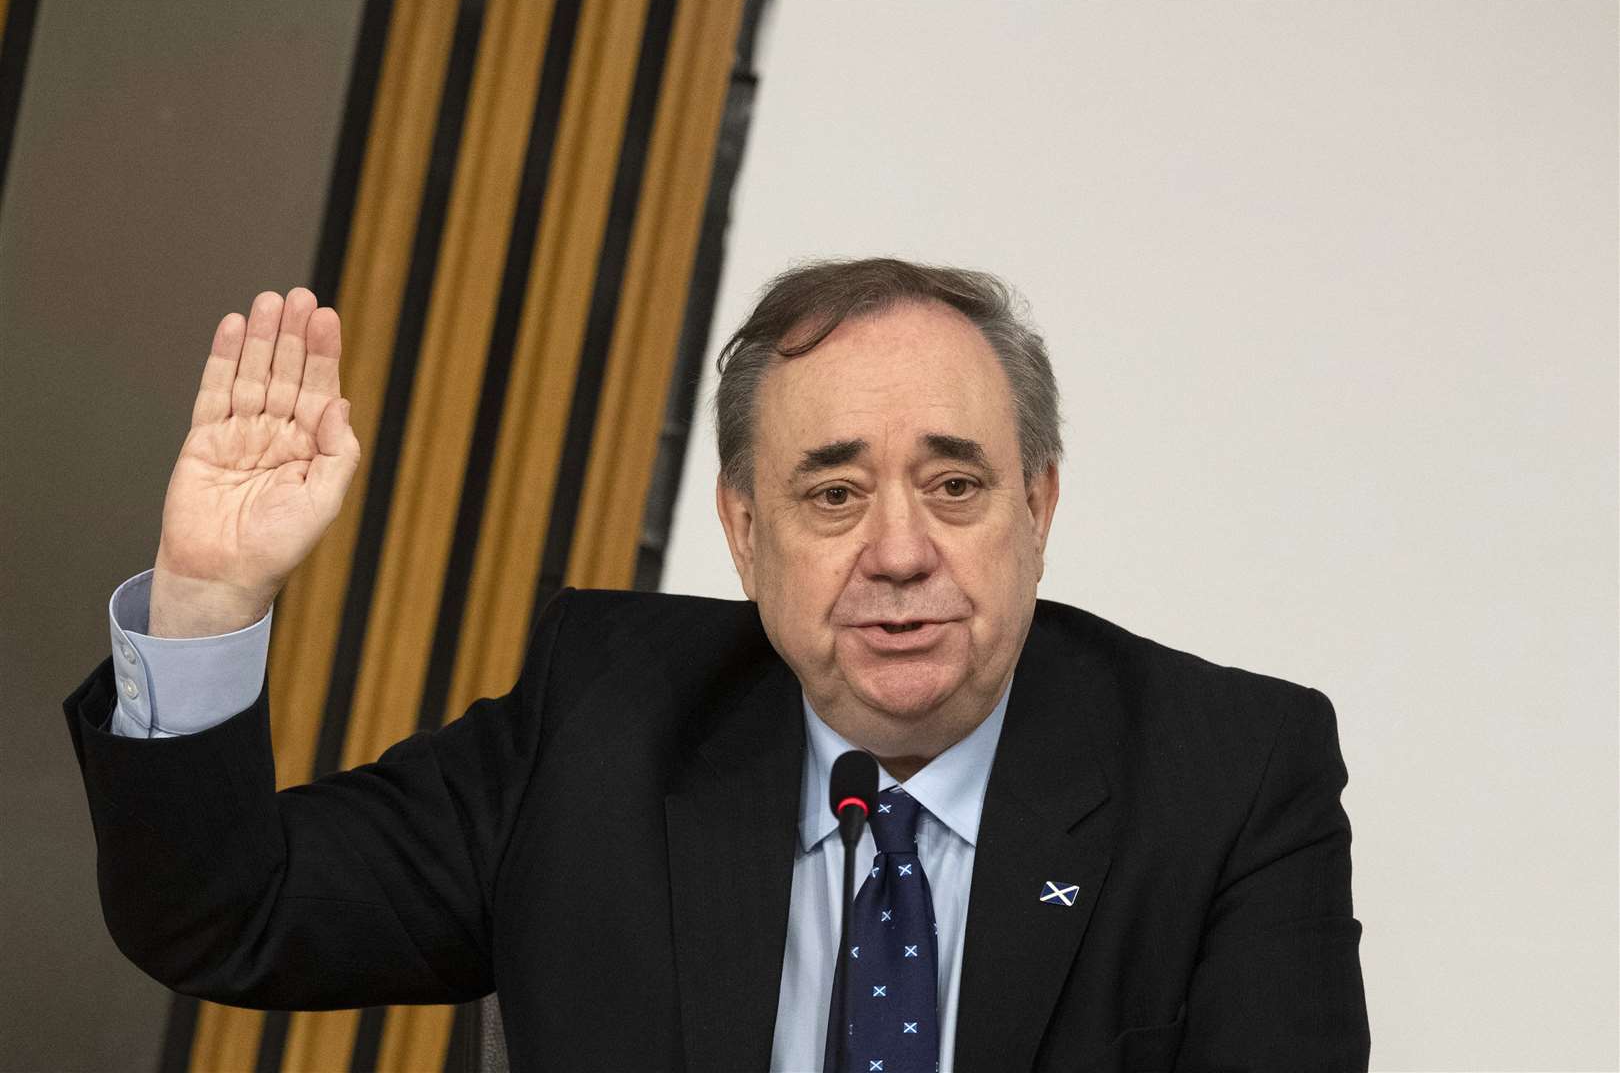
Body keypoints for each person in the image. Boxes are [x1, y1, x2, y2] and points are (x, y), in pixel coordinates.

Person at [63, 258, 1370, 1071]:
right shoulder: (608, 722)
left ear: (1039, 507)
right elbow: (227, 913)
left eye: (957, 486)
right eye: (834, 494)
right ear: (746, 533)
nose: (900, 554)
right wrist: (209, 596)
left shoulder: (1230, 774)